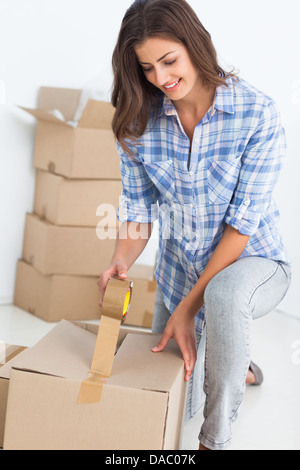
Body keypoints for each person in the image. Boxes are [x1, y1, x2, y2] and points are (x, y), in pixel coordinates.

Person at [97, 0, 291, 451]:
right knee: (171, 401)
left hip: (254, 262)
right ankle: (236, 361)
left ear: (196, 45)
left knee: (223, 297)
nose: (160, 79)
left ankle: (214, 442)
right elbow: (138, 210)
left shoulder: (257, 113)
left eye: (169, 61)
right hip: (179, 273)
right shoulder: (139, 122)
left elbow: (242, 227)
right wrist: (120, 261)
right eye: (146, 68)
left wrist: (188, 308)